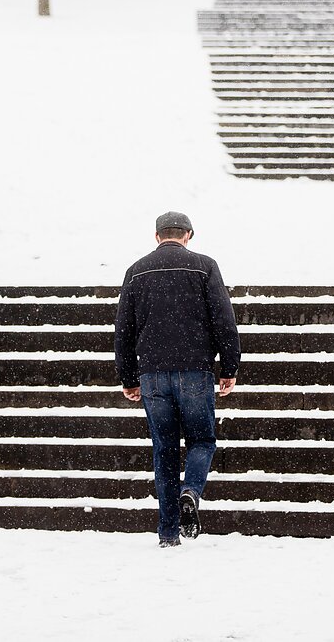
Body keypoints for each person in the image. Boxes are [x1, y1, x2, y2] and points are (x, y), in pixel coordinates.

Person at [114, 211, 240, 547]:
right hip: (195, 371)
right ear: (189, 235)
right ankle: (191, 491)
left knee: (164, 450)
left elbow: (123, 331)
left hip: (152, 374)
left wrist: (128, 377)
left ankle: (169, 533)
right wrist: (229, 367)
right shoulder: (204, 266)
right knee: (201, 441)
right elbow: (224, 320)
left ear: (157, 236)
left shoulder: (136, 271)